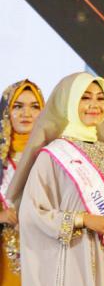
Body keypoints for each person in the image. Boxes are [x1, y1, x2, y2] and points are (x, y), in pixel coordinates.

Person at [7, 72, 104, 286]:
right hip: (70, 257)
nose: (94, 105)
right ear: (70, 101)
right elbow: (32, 213)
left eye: (100, 98)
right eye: (85, 97)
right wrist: (83, 220)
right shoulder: (53, 155)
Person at [0, 80, 44, 285]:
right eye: (18, 106)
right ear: (6, 111)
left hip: (43, 249)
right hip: (5, 253)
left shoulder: (53, 154)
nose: (26, 113)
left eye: (34, 107)